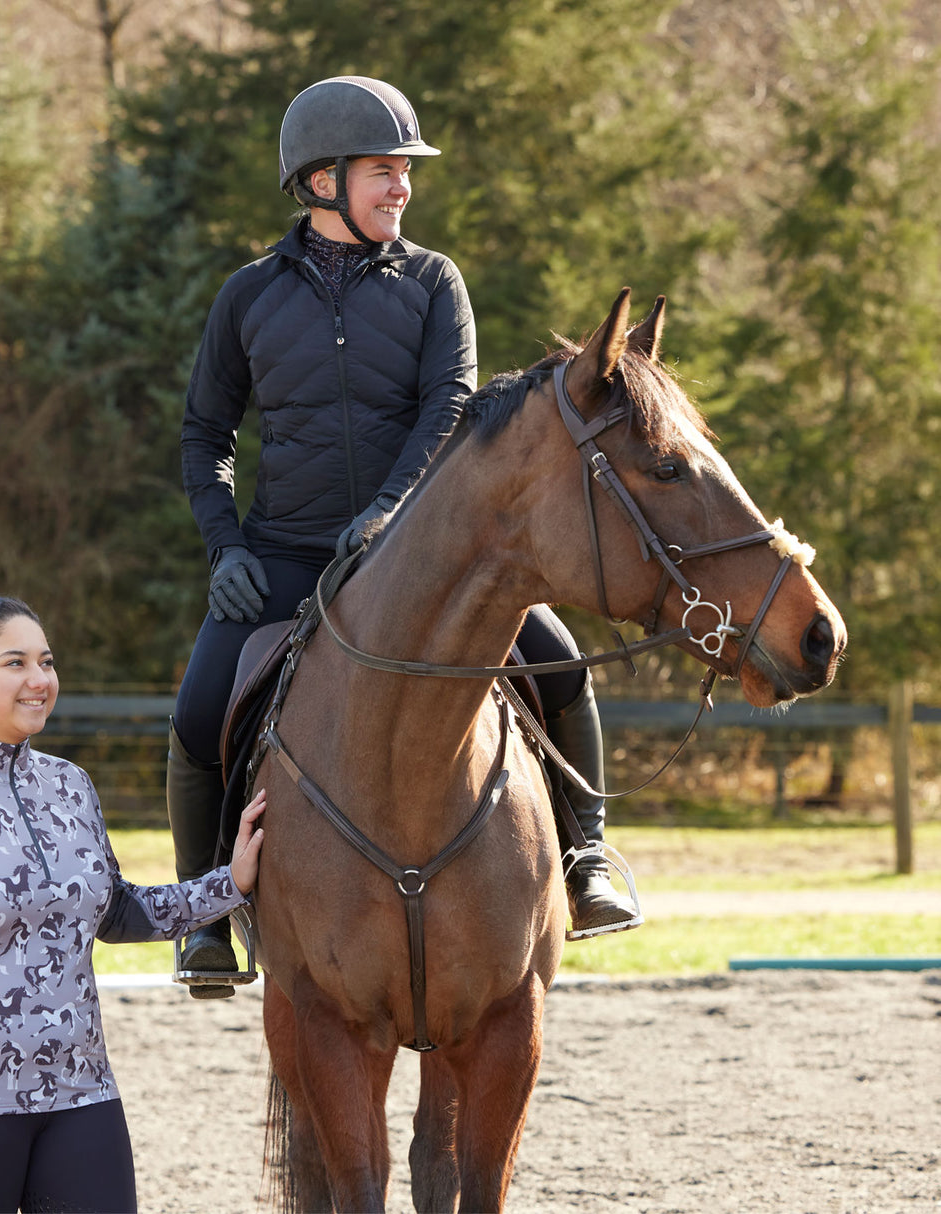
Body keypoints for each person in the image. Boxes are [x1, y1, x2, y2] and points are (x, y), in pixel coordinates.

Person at [170, 75, 638, 995]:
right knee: (195, 717)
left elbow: (449, 410)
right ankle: (210, 918)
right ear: (319, 181)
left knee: (560, 663)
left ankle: (585, 859)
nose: (403, 189)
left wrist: (389, 511)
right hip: (286, 553)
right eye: (384, 171)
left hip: (424, 552)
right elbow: (204, 433)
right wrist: (224, 545)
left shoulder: (434, 283)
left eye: (404, 173)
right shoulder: (248, 296)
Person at [0, 595, 266, 1212]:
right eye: (15, 663)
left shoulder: (71, 786)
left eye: (46, 662)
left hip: (82, 1096)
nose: (40, 680)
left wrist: (229, 883)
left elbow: (119, 911)